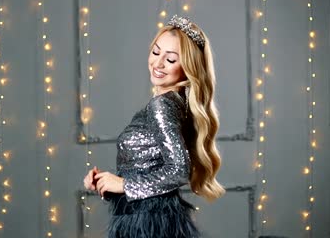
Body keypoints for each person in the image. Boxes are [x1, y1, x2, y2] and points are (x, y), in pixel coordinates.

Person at [83, 15, 225, 238]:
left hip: (147, 223)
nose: (158, 64)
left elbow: (178, 170)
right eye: (156, 52)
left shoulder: (162, 106)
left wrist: (124, 184)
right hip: (146, 218)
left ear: (187, 67)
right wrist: (107, 184)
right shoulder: (175, 103)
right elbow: (151, 172)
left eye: (170, 60)